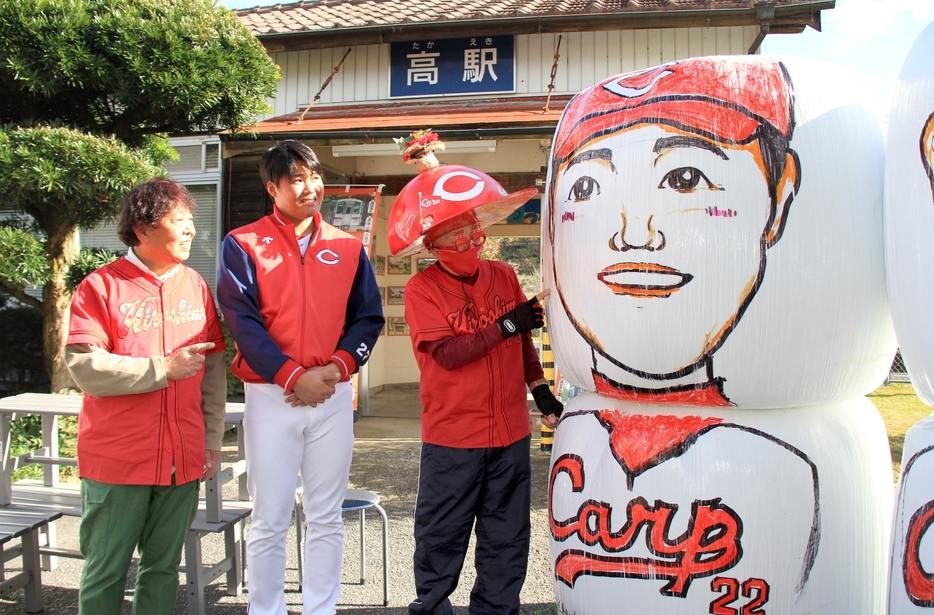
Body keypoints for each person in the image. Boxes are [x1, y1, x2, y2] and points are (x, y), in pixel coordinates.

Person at [546, 57, 800, 406]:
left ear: (780, 196)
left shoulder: (786, 446)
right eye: (586, 187)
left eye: (685, 178)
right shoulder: (580, 425)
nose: (634, 237)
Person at [387, 131, 563, 615]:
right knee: (442, 534)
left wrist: (541, 392)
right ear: (434, 243)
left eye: (474, 229)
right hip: (453, 436)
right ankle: (433, 607)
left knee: (506, 536)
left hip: (509, 431)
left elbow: (522, 343)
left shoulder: (503, 275)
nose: (471, 239)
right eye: (458, 234)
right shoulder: (422, 289)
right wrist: (509, 322)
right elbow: (447, 354)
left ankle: (497, 609)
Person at [217, 140, 384, 615]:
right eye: (297, 179)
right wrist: (293, 376)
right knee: (269, 515)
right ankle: (265, 608)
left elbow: (367, 320)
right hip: (271, 396)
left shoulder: (348, 247)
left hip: (332, 392)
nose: (310, 187)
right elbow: (241, 321)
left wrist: (336, 369)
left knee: (326, 514)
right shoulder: (243, 243)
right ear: (274, 188)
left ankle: (321, 609)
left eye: (314, 177)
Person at [65, 177, 227, 615]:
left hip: (183, 457)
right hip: (118, 460)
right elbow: (84, 366)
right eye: (179, 221)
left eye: (192, 221)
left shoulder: (195, 285)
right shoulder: (100, 287)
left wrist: (211, 439)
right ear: (142, 229)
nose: (191, 230)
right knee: (106, 569)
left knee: (162, 568)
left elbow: (212, 370)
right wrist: (162, 369)